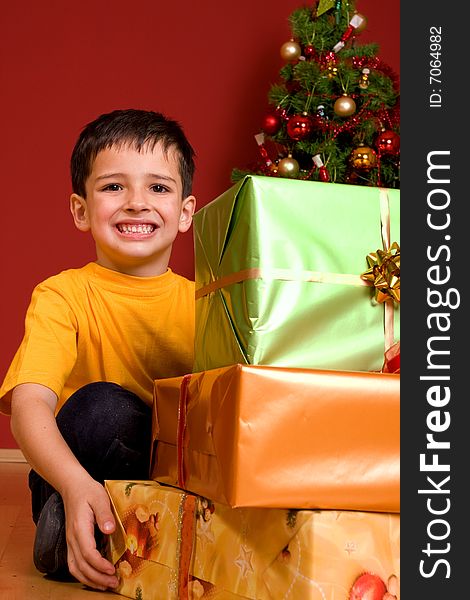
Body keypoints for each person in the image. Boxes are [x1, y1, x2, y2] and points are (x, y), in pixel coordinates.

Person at [0, 108, 197, 591]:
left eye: (158, 187)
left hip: (164, 474)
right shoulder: (62, 294)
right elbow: (29, 404)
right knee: (107, 408)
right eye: (113, 187)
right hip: (78, 467)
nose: (136, 203)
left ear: (186, 212)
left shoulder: (205, 303)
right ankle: (68, 514)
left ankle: (127, 538)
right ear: (81, 210)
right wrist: (72, 483)